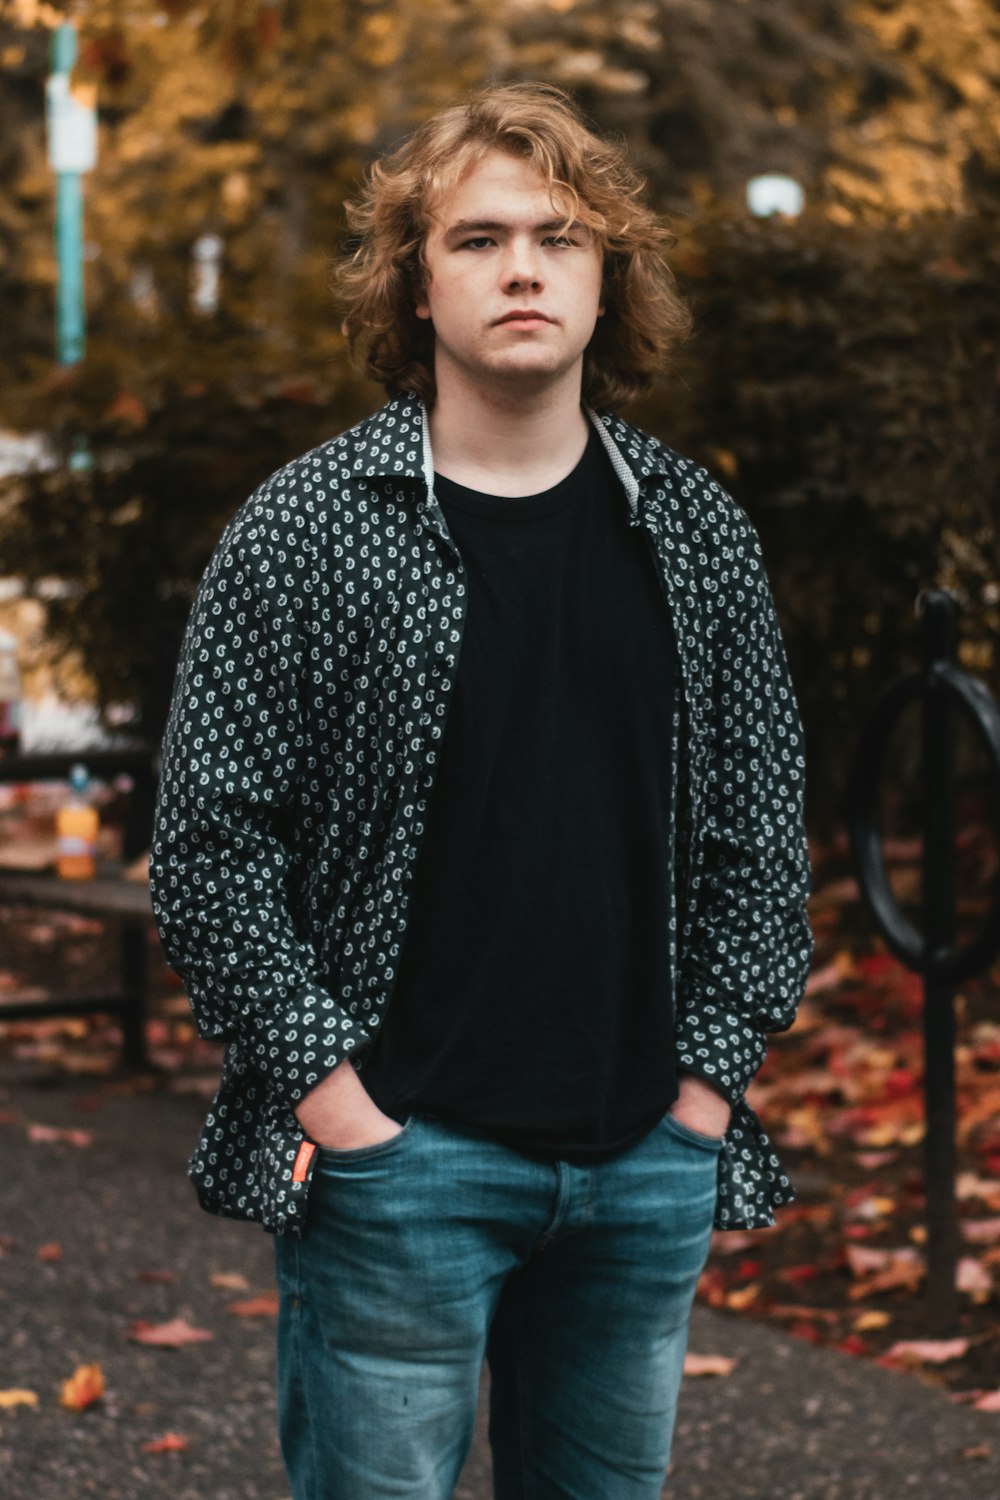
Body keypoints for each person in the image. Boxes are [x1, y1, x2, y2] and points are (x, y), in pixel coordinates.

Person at [150, 81, 812, 1500]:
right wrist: (342, 1111)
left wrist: (702, 1095)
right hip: (404, 1163)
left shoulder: (693, 531)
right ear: (415, 283)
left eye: (563, 237)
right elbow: (209, 853)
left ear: (605, 277)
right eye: (482, 238)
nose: (525, 265)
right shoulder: (306, 531)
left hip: (645, 1159)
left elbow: (763, 839)